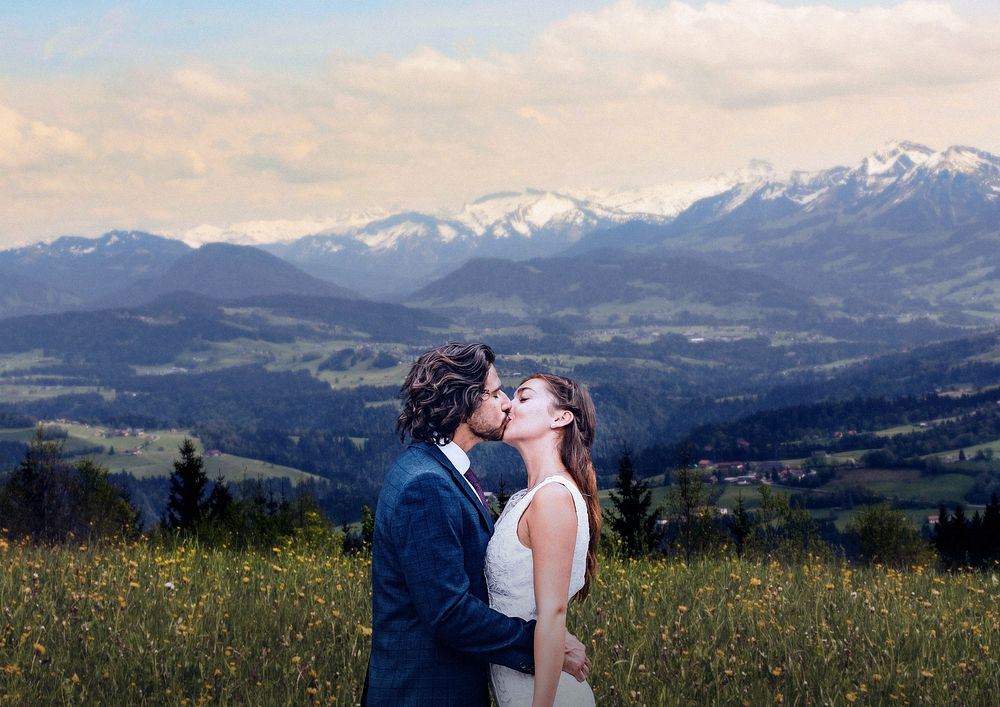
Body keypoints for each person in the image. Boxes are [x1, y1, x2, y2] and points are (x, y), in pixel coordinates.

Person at [364, 342, 589, 706]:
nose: (506, 403)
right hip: (426, 693)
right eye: (496, 391)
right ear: (465, 400)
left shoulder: (440, 470)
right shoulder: (427, 485)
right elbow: (449, 613)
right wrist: (540, 643)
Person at [486, 373, 601, 707]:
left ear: (560, 417)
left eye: (524, 398)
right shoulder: (527, 497)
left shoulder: (552, 497)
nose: (507, 404)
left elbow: (553, 614)